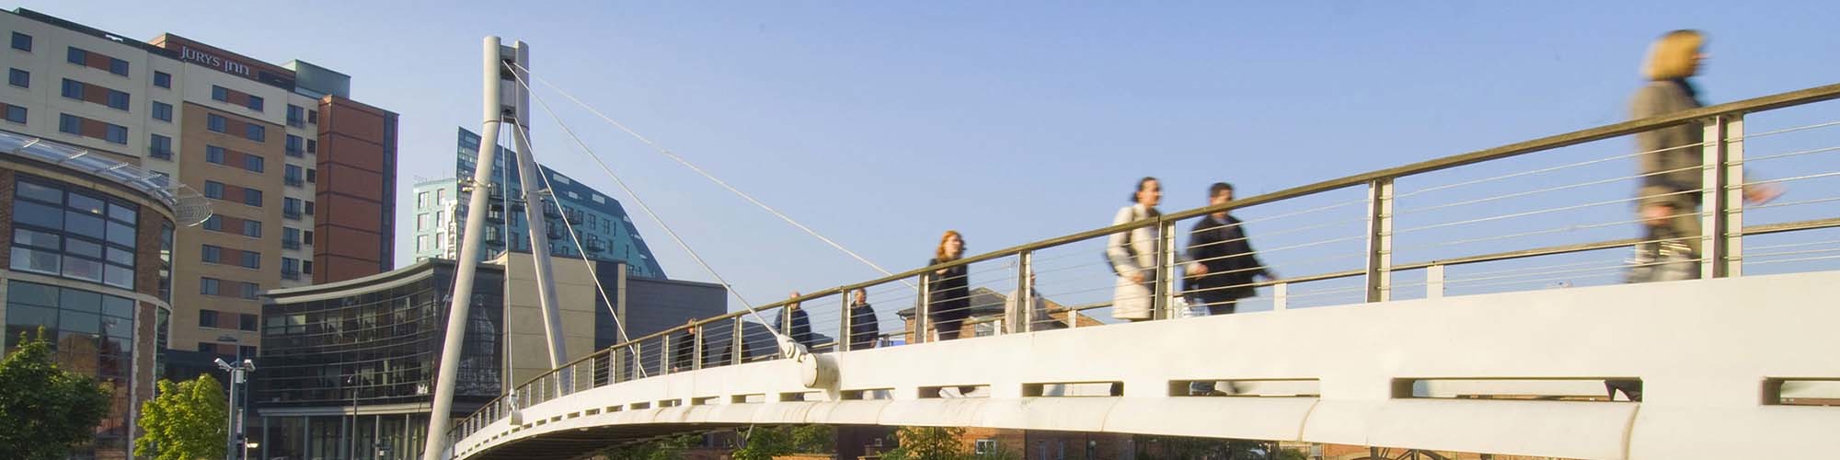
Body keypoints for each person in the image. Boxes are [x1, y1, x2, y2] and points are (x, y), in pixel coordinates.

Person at [1629, 29, 1780, 284]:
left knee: (1705, 264)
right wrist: (1654, 201)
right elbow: (1649, 148)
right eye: (1696, 51)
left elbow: (1708, 150)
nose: (1703, 56)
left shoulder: (1688, 98)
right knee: (1704, 263)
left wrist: (1745, 183)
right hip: (1671, 200)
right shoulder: (1654, 95)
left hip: (1694, 196)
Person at [1184, 182, 1277, 315]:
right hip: (1213, 285)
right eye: (1227, 199)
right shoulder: (1203, 227)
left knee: (1227, 320)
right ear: (1213, 200)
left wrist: (1265, 273)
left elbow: (1247, 254)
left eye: (1231, 199)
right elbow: (1192, 256)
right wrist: (1187, 288)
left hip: (1233, 284)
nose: (1230, 203)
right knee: (1222, 321)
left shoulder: (1235, 225)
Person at [1107, 177, 1164, 322]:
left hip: (1157, 287)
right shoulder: (1130, 213)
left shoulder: (1161, 219)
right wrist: (1131, 271)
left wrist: (1191, 266)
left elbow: (1171, 251)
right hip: (1137, 284)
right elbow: (1114, 246)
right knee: (1139, 329)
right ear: (1140, 194)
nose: (1159, 194)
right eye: (1154, 190)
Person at [927, 231, 971, 341]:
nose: (957, 243)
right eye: (954, 240)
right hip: (941, 307)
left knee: (952, 338)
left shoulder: (962, 265)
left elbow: (964, 287)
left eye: (959, 241)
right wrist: (939, 274)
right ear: (945, 243)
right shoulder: (935, 262)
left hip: (956, 308)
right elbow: (928, 283)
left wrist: (966, 308)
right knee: (947, 337)